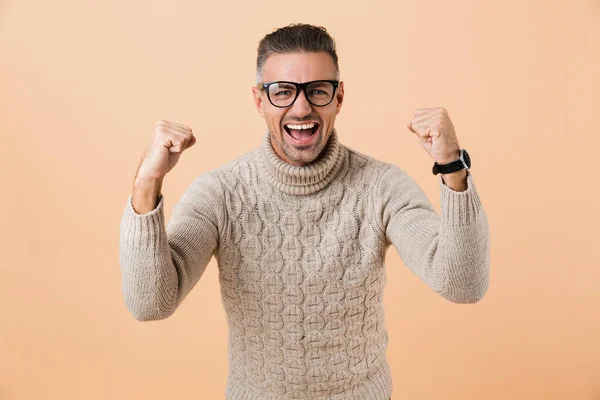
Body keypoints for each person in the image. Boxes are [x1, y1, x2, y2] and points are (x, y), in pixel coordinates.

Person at [119, 23, 490, 400]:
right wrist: (147, 180)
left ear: (339, 97)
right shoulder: (220, 193)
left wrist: (451, 165)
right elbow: (151, 302)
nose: (301, 107)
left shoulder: (382, 186)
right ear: (259, 101)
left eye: (317, 91)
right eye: (283, 92)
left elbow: (463, 284)